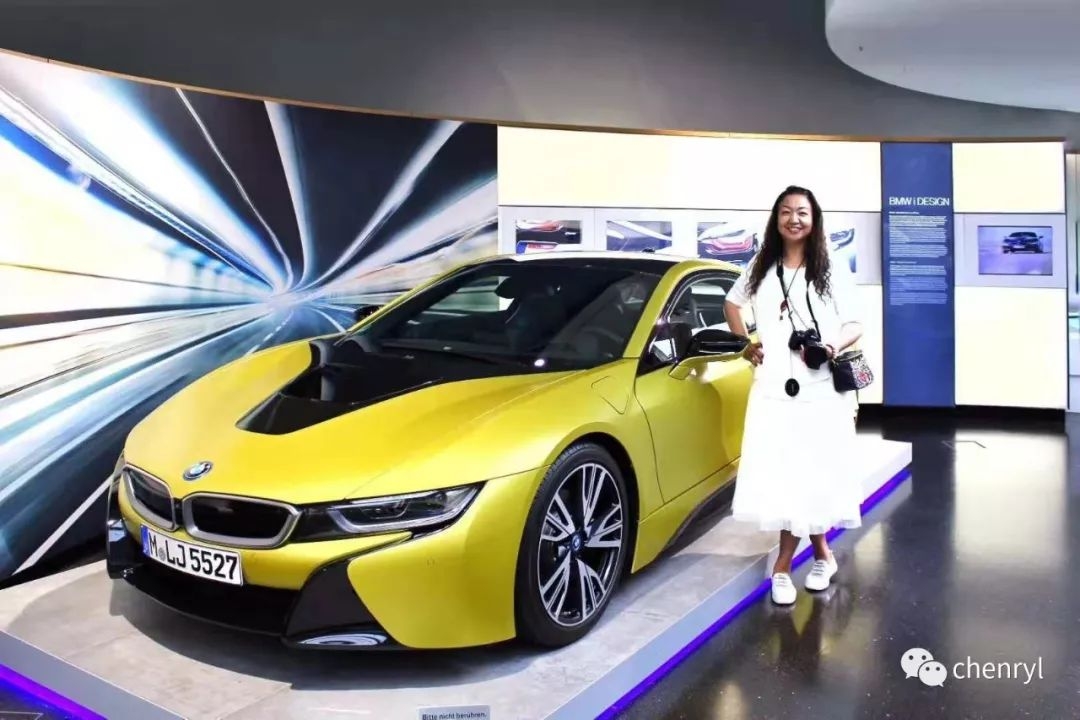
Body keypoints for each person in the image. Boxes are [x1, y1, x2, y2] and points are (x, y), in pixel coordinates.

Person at [724, 185, 864, 606]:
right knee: (786, 473)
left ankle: (783, 566)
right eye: (786, 212)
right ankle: (822, 555)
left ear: (814, 219)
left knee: (812, 472)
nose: (794, 219)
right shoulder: (761, 265)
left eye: (802, 212)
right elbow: (732, 304)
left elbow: (855, 323)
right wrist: (746, 343)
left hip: (820, 391)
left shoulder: (830, 268)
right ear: (776, 219)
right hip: (773, 389)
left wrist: (832, 346)